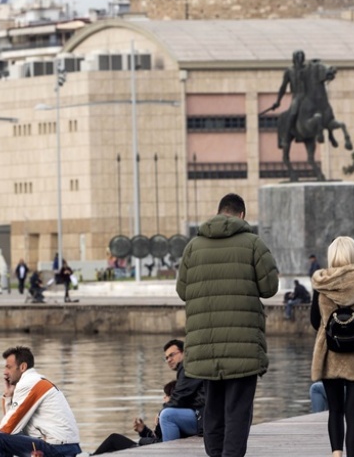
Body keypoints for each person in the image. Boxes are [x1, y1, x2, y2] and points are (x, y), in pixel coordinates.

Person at [176, 192, 279, 457]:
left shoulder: (193, 247)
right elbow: (270, 287)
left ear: (219, 211)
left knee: (212, 408)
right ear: (242, 215)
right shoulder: (253, 244)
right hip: (243, 346)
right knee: (238, 411)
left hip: (205, 345)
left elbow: (183, 291)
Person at [310, 236, 354, 457]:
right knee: (353, 413)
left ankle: (336, 454)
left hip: (329, 353)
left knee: (335, 410)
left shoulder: (322, 283)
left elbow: (314, 321)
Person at [0, 346, 82, 457]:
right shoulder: (36, 381)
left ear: (22, 367)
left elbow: (7, 429)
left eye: (9, 367)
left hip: (58, 448)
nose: (5, 372)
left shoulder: (28, 383)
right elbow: (12, 429)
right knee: (3, 440)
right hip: (67, 447)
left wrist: (1, 428)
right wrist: (8, 396)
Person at [92, 381, 174, 454]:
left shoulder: (167, 415)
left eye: (167, 395)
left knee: (114, 439)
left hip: (153, 452)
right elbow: (158, 438)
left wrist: (142, 441)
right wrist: (143, 430)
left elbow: (161, 443)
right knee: (111, 449)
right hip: (152, 449)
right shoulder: (170, 413)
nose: (164, 398)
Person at [157, 339, 205, 441]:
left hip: (204, 417)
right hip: (203, 415)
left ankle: (170, 449)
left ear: (183, 352)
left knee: (167, 415)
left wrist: (160, 413)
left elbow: (179, 397)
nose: (169, 360)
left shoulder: (188, 367)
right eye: (166, 358)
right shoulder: (192, 365)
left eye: (172, 355)